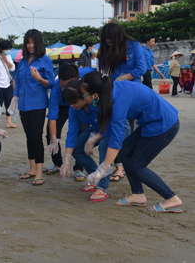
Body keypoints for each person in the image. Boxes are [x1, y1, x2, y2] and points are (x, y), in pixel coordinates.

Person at [80, 72, 182, 212]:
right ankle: (138, 194)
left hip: (164, 125)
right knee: (126, 153)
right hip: (150, 123)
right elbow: (110, 125)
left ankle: (171, 197)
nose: (83, 98)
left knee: (137, 165)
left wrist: (101, 170)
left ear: (95, 94)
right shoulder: (111, 91)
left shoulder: (118, 102)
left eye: (84, 94)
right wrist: (94, 138)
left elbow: (116, 140)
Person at [60, 79, 130, 201]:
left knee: (104, 144)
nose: (72, 106)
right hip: (98, 128)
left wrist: (94, 138)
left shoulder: (96, 102)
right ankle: (95, 177)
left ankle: (102, 187)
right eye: (69, 103)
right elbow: (72, 132)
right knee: (77, 148)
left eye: (74, 102)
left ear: (84, 97)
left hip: (117, 127)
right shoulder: (74, 108)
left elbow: (111, 125)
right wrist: (67, 159)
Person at [98, 22, 146, 180]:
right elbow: (104, 69)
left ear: (119, 35)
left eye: (110, 41)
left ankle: (124, 165)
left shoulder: (135, 46)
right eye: (106, 42)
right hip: (114, 93)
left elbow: (141, 68)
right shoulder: (107, 48)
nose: (108, 44)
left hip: (132, 93)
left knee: (127, 129)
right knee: (118, 128)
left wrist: (123, 78)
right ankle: (118, 166)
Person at [10, 29, 53, 185]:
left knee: (36, 137)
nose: (30, 45)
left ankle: (39, 173)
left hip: (38, 105)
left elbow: (51, 83)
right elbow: (19, 82)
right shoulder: (22, 61)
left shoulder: (45, 61)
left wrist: (39, 78)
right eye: (28, 42)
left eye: (33, 42)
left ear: (39, 43)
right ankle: (32, 168)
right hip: (23, 105)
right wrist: (14, 99)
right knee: (29, 137)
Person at [45, 64, 92, 180]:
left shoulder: (86, 78)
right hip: (62, 108)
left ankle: (79, 168)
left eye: (68, 86)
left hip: (79, 105)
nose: (66, 90)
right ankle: (58, 164)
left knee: (83, 132)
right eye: (63, 86)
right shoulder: (56, 88)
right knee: (51, 134)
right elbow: (52, 117)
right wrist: (53, 140)